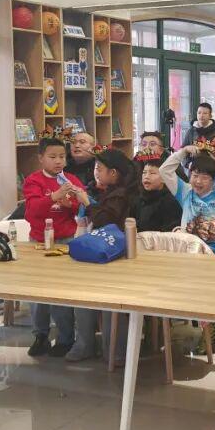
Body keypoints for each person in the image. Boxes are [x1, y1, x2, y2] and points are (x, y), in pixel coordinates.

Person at [68, 148, 139, 362]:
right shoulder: (108, 190)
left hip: (117, 256)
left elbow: (105, 221)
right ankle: (88, 345)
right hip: (103, 253)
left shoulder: (122, 194)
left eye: (99, 168)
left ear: (113, 173)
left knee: (110, 304)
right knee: (82, 296)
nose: (95, 172)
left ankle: (114, 351)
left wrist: (88, 202)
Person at [22, 137, 88, 357]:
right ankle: (40, 335)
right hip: (39, 242)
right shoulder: (33, 180)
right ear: (41, 158)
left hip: (66, 240)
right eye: (52, 157)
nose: (58, 161)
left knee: (62, 292)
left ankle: (65, 337)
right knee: (37, 292)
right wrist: (54, 196)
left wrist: (71, 204)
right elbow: (31, 211)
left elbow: (83, 210)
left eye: (62, 156)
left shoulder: (71, 179)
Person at [159, 144, 215, 253]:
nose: (198, 181)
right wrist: (183, 152)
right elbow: (164, 170)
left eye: (204, 178)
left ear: (214, 180)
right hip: (188, 251)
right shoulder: (185, 191)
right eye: (195, 176)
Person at [137, 156, 182, 232]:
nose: (146, 176)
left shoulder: (170, 202)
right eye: (144, 173)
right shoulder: (139, 199)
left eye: (152, 173)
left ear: (164, 178)